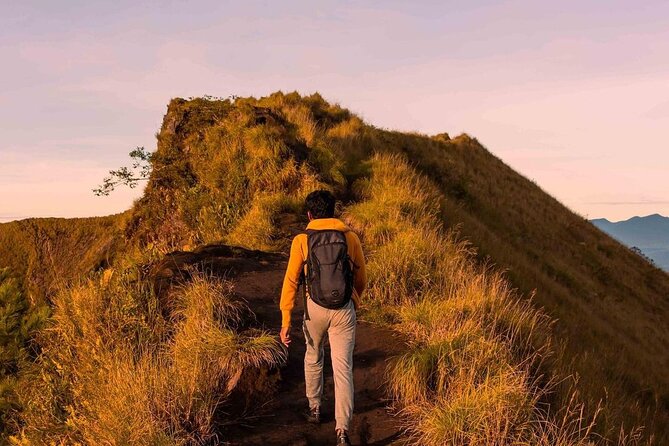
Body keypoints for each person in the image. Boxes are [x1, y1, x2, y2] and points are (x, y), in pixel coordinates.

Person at [279, 190, 367, 446]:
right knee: (343, 369)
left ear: (309, 214)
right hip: (343, 310)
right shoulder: (349, 238)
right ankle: (342, 430)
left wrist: (285, 320)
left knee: (313, 355)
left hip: (313, 309)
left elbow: (291, 281)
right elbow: (361, 279)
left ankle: (315, 409)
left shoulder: (301, 240)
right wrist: (353, 300)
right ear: (333, 211)